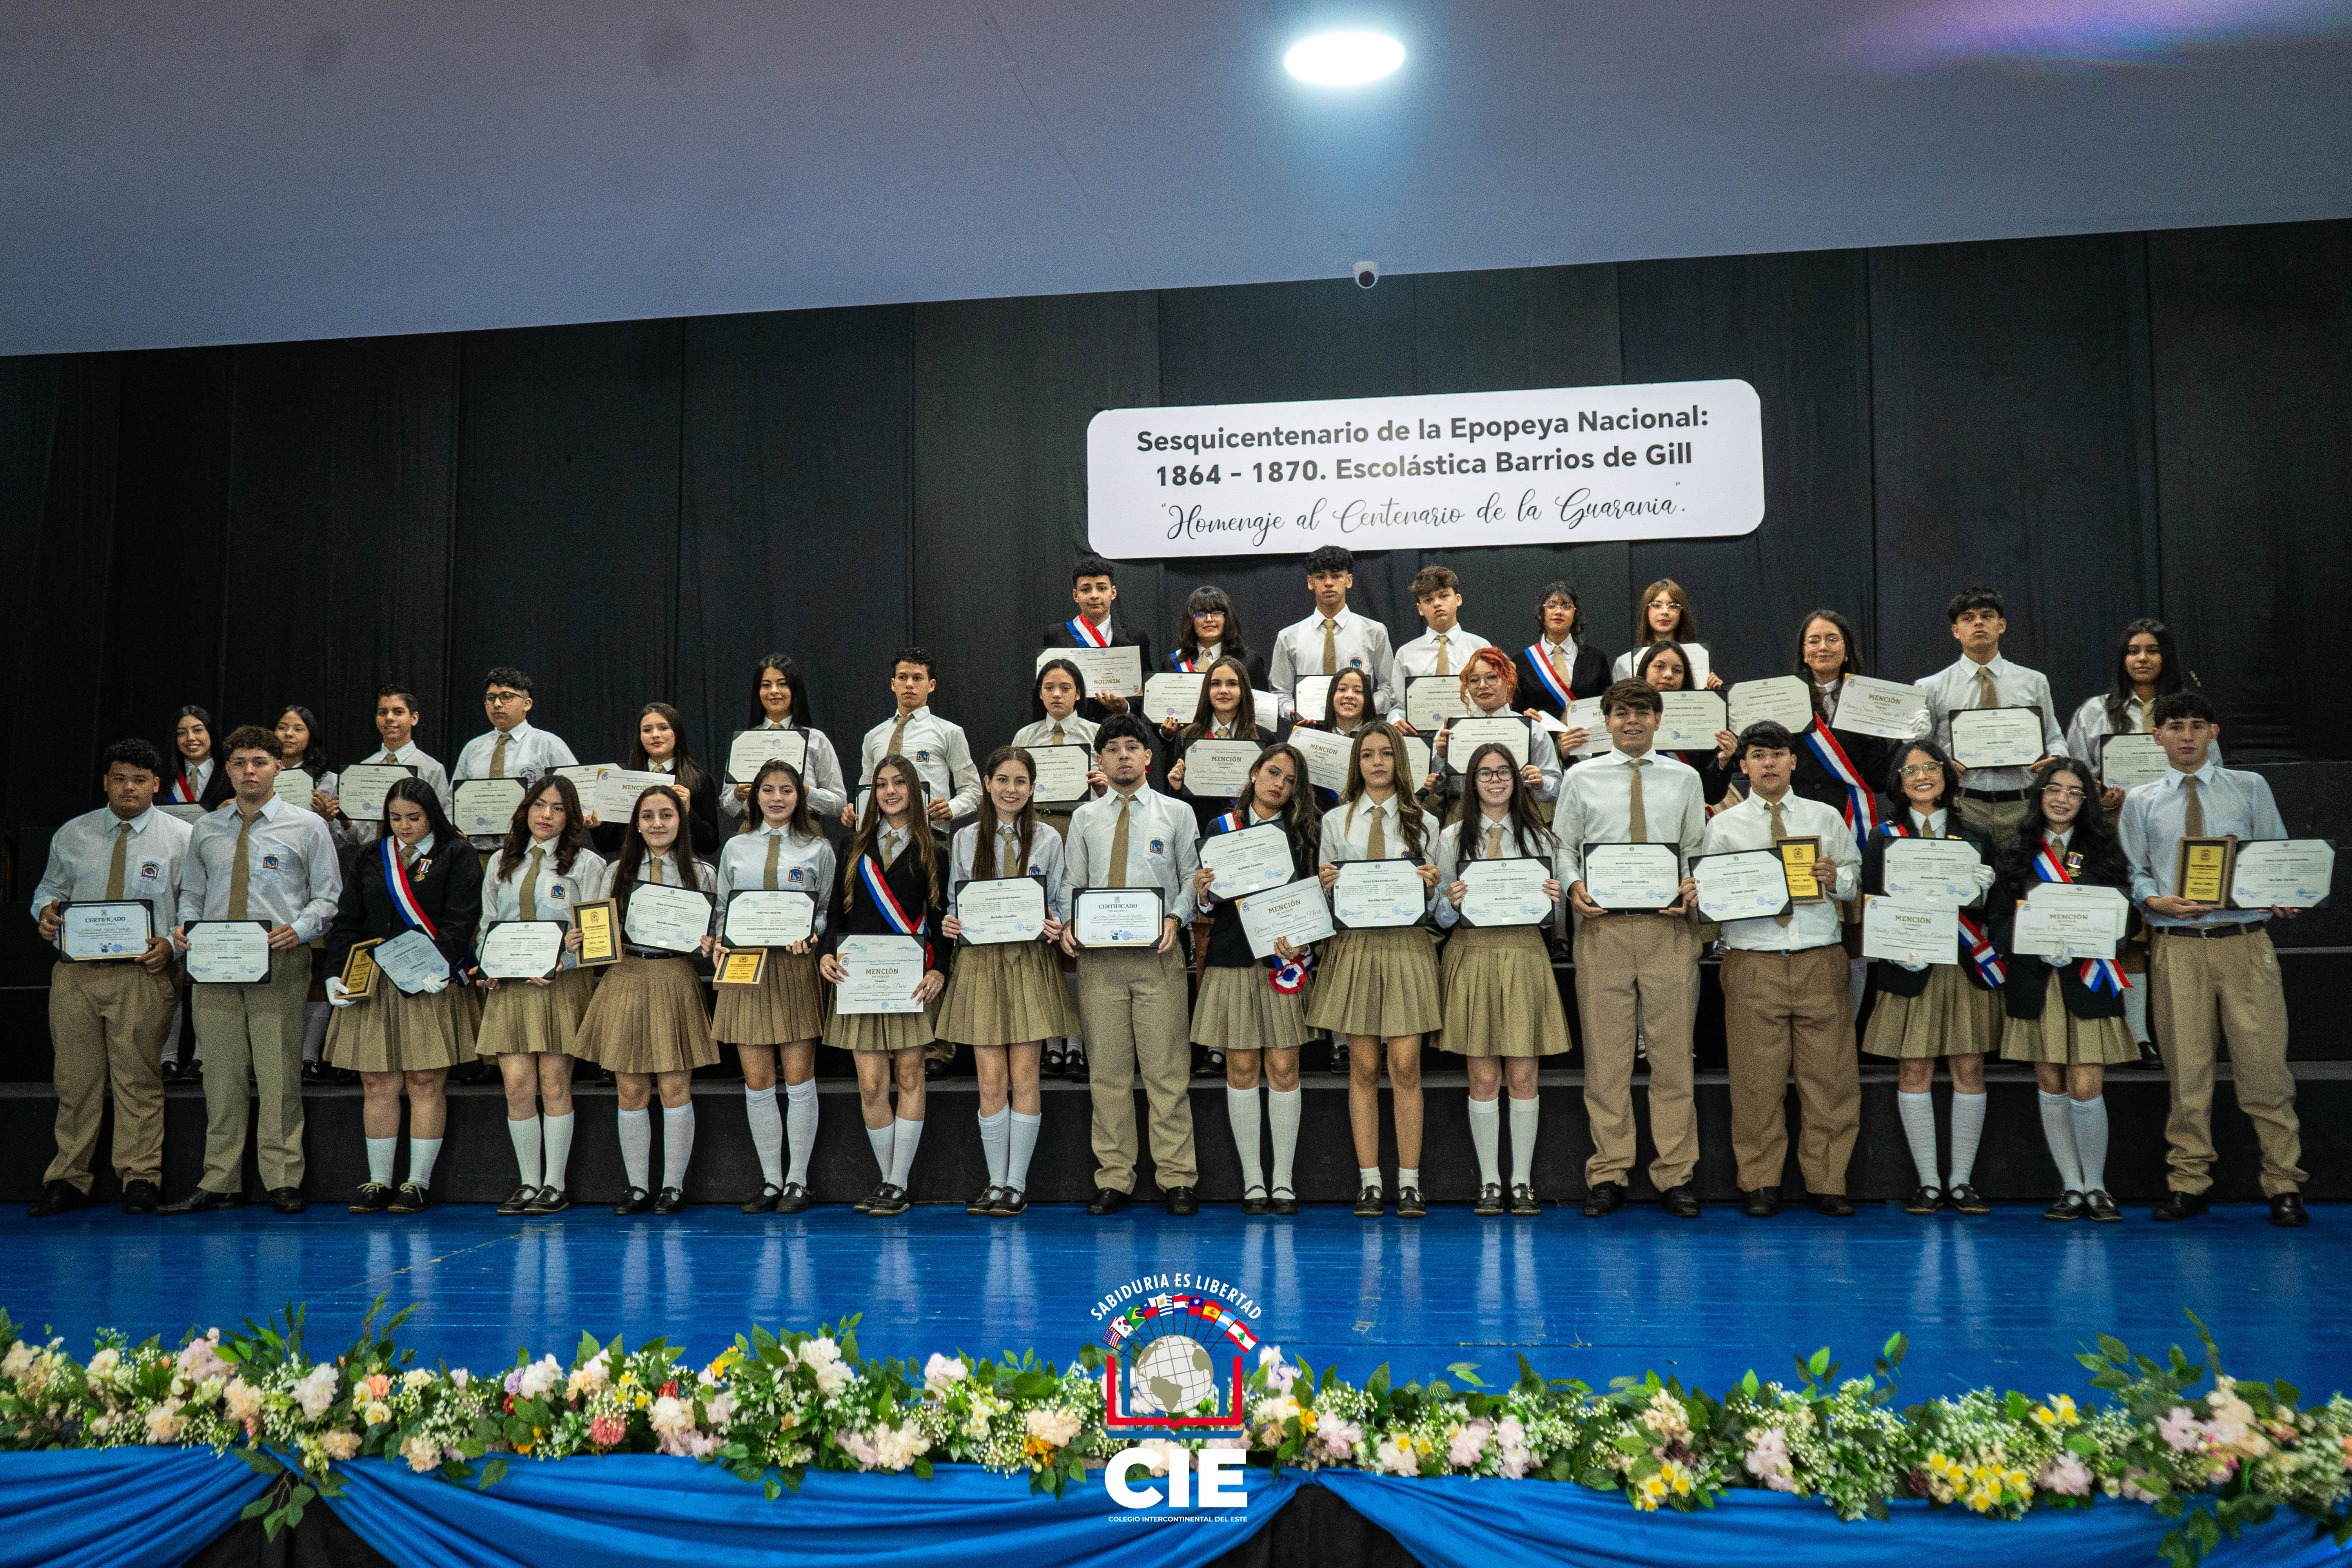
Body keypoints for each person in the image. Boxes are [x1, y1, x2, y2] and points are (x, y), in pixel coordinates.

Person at [2119, 690, 2306, 1227]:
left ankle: (2284, 1183)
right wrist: (2155, 901)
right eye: (2174, 726)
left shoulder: (2250, 788)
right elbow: (2135, 874)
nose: (2185, 736)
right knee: (2188, 1073)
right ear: (2156, 736)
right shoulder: (2142, 800)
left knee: (2266, 1071)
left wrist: (2283, 890)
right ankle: (2189, 1182)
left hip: (2244, 942)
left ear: (2214, 733)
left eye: (2196, 726)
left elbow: (2276, 855)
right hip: (2178, 947)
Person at [163, 726, 343, 1215]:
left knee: (278, 1072)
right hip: (215, 961)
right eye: (240, 762)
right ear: (228, 769)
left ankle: (283, 1178)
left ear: (279, 767)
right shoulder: (208, 828)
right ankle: (219, 1180)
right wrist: (183, 930)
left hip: (279, 958)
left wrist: (301, 929)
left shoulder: (306, 826)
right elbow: (193, 896)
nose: (250, 771)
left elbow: (328, 898)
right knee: (219, 1076)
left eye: (260, 762)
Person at [1698, 721, 1863, 1218]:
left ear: (1794, 761)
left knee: (1830, 1078)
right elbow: (1711, 896)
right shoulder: (1724, 826)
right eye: (1757, 755)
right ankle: (1761, 1181)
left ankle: (1828, 1180)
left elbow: (1855, 881)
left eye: (1778, 754)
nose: (1768, 763)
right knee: (1756, 1081)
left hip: (1818, 957)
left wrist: (1837, 878)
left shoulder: (1826, 816)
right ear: (1743, 765)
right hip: (1753, 961)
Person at [1558, 680, 1708, 1218]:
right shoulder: (1581, 777)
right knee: (1606, 1060)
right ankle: (1610, 1172)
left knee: (1672, 1060)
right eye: (1622, 714)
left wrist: (1693, 885)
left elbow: (1696, 850)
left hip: (1669, 930)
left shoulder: (1686, 779)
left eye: (1643, 713)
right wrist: (1574, 885)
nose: (1633, 723)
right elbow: (1564, 848)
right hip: (1604, 931)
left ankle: (1675, 1175)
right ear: (1607, 721)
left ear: (1658, 719)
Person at [27, 739, 190, 1218]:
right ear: (106, 782)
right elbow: (48, 889)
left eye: (140, 780)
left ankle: (141, 1177)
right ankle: (68, 1179)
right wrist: (46, 912)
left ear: (156, 784)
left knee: (139, 1080)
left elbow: (195, 906)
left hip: (143, 973)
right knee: (75, 1082)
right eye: (120, 778)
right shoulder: (73, 833)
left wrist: (172, 943)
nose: (129, 787)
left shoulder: (180, 837)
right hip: (76, 975)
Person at [1059, 714, 1201, 1216]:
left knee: (1168, 1072)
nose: (1123, 755)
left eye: (1131, 747)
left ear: (1148, 757)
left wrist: (1176, 916)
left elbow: (1191, 879)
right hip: (1099, 962)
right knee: (1108, 1075)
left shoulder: (1177, 813)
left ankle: (1178, 1177)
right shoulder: (1085, 819)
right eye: (1112, 748)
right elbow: (1070, 883)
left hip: (1158, 956)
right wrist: (1068, 922)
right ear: (1099, 760)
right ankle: (1115, 1176)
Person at [321, 779, 481, 1216]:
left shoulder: (457, 854)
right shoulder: (373, 856)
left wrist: (440, 965)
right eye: (396, 818)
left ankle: (418, 1182)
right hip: (374, 982)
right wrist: (335, 972)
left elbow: (461, 919)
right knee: (377, 1083)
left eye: (415, 817)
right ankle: (378, 1180)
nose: (405, 826)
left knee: (425, 1081)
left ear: (432, 814)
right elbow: (349, 919)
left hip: (427, 981)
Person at [1860, 739, 2003, 1216]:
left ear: (1947, 773)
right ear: (1898, 782)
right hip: (1909, 964)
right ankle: (1928, 1183)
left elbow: (1999, 912)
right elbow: (1871, 902)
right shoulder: (1884, 836)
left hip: (1963, 964)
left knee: (1969, 1070)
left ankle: (1961, 1182)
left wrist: (1984, 892)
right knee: (1914, 1070)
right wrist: (1898, 946)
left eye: (1930, 767)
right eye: (1910, 770)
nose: (1922, 775)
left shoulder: (1978, 834)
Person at [1992, 757, 2138, 1223]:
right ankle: (2070, 1187)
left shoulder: (2104, 848)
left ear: (2086, 802)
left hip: (2087, 979)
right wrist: (2034, 944)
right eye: (2054, 789)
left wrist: (2091, 937)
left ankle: (2097, 1186)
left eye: (2075, 792)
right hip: (2036, 981)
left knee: (2085, 1085)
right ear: (2039, 794)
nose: (2062, 799)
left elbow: (2128, 918)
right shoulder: (2016, 849)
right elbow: (1996, 923)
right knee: (2051, 1084)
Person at [1308, 721, 1444, 1219]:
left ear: (1400, 763)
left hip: (1407, 948)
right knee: (1363, 1068)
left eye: (1387, 754)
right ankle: (1370, 1181)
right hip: (1356, 949)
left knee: (1406, 1067)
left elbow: (1437, 909)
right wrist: (1325, 884)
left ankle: (1409, 1182)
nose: (1378, 762)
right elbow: (1326, 899)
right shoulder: (1335, 821)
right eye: (1368, 755)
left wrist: (1429, 886)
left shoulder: (1424, 822)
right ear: (1357, 763)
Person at [936, 747, 1078, 1216]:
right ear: (988, 782)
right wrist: (951, 923)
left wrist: (1056, 922)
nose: (1011, 789)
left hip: (1030, 962)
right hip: (980, 964)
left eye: (1020, 781)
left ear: (1033, 788)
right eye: (1002, 779)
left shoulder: (1050, 840)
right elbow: (956, 903)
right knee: (990, 1080)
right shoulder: (965, 839)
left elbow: (1057, 899)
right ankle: (995, 1181)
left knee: (1025, 1076)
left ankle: (1016, 1184)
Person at [570, 785, 720, 1216]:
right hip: (627, 977)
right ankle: (637, 1186)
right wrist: (586, 938)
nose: (658, 824)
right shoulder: (613, 871)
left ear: (681, 820)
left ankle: (672, 1186)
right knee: (631, 1088)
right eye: (649, 816)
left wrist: (712, 943)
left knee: (675, 1087)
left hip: (675, 977)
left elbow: (714, 936)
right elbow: (595, 931)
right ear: (636, 823)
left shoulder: (701, 873)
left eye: (667, 815)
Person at [1433, 741, 1568, 1216]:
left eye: (1503, 772)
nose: (1494, 780)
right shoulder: (1450, 839)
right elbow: (1441, 917)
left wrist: (1556, 900)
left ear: (1517, 778)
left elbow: (1558, 917)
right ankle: (1491, 1182)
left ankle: (1523, 1182)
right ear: (1472, 783)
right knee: (1484, 1075)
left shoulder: (1541, 839)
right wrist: (1450, 899)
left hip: (1525, 954)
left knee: (1524, 1073)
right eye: (1485, 773)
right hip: (1472, 955)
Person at [2067, 619, 2205, 1063]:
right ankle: (2137, 1036)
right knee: (2129, 936)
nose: (2142, 658)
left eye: (2152, 650)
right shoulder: (2095, 711)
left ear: (2167, 657)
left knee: (2163, 935)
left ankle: (2177, 1034)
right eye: (2132, 650)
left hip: (2174, 835)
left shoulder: (2188, 711)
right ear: (2121, 659)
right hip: (2112, 834)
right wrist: (2098, 793)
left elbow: (2209, 768)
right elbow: (2072, 773)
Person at [1190, 743, 1320, 1216]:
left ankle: (1282, 1182)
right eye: (1273, 773)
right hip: (1231, 957)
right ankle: (1252, 1182)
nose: (1279, 785)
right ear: (1253, 772)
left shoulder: (1304, 833)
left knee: (1284, 1071)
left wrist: (1303, 942)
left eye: (1289, 781)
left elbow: (1310, 903)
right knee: (1241, 1070)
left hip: (1280, 964)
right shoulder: (1220, 827)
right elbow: (1210, 904)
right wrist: (1203, 896)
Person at [819, 755, 950, 1218]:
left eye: (899, 783)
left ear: (914, 790)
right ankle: (887, 1177)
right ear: (872, 793)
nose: (891, 791)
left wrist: (942, 970)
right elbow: (837, 913)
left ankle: (896, 1182)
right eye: (881, 785)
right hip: (860, 982)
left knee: (911, 1076)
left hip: (911, 982)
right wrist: (827, 953)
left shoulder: (937, 847)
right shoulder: (853, 847)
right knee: (873, 1086)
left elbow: (941, 921)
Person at [471, 774, 606, 1217]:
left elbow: (599, 936)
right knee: (516, 1087)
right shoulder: (499, 862)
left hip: (560, 987)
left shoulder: (586, 864)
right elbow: (487, 924)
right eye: (539, 806)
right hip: (510, 988)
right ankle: (528, 1181)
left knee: (553, 1084)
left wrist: (565, 962)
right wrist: (485, 965)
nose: (546, 815)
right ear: (525, 809)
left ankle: (555, 1184)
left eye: (558, 809)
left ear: (571, 818)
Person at [709, 760, 836, 1214]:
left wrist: (814, 933)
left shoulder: (818, 848)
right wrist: (720, 940)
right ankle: (770, 1180)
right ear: (754, 795)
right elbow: (723, 908)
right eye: (768, 789)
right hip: (744, 968)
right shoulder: (735, 848)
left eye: (786, 789)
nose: (777, 798)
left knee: (799, 1076)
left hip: (794, 968)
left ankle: (799, 1181)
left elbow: (825, 910)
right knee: (759, 1080)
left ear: (800, 795)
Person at [1787, 610, 1902, 1020]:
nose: (1823, 647)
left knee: (1854, 936)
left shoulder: (1868, 698)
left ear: (1847, 649)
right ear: (1802, 651)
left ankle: (1847, 1030)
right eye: (1814, 640)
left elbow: (1878, 779)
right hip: (1800, 824)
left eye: (1832, 639)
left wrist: (1890, 736)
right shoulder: (1784, 696)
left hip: (1851, 823)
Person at [1011, 657, 1102, 1082]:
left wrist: (1101, 785)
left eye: (1066, 687)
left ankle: (1079, 1044)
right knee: (1043, 931)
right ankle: (1051, 1044)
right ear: (1040, 694)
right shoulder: (1026, 737)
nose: (1057, 695)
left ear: (1079, 693)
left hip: (1083, 828)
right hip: (1038, 831)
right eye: (1049, 687)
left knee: (1076, 934)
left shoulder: (1096, 735)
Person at [1913, 587, 2062, 840]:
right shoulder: (1930, 687)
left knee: (2020, 879)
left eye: (1987, 616)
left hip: (2023, 806)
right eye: (1968, 618)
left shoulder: (2034, 682)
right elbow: (1916, 753)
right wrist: (1939, 766)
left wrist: (2055, 759)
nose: (1979, 623)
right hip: (1961, 804)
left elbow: (2055, 739)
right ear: (1956, 631)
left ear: (2002, 625)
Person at [273, 704, 344, 1083]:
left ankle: (309, 1056)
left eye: (297, 728)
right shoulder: (260, 774)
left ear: (310, 736)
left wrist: (331, 819)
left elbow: (346, 843)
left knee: (315, 971)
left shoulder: (329, 781)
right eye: (282, 727)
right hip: (271, 885)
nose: (288, 735)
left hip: (312, 885)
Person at [850, 647, 982, 829]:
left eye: (918, 678)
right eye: (903, 678)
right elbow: (866, 790)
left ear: (932, 685)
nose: (910, 684)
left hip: (929, 834)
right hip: (881, 835)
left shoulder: (949, 732)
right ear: (893, 684)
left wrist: (951, 808)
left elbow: (973, 789)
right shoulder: (874, 736)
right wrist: (855, 809)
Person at [1421, 647, 1559, 820]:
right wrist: (1441, 757)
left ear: (1508, 681)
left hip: (1520, 813)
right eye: (1474, 680)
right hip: (1463, 814)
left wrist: (1541, 783)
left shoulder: (1532, 729)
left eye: (1492, 678)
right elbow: (1435, 786)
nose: (1482, 686)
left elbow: (1556, 790)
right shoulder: (1451, 729)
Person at [1269, 544, 1397, 721]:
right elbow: (1279, 692)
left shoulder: (1374, 632)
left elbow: (1389, 688)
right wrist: (1293, 711)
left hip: (1359, 730)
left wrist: (1365, 707)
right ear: (1310, 582)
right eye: (1321, 577)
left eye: (1336, 576)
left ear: (1349, 580)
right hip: (1309, 728)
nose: (1329, 583)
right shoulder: (1289, 636)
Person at [723, 653, 850, 828]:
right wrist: (738, 796)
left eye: (783, 684)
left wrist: (806, 792)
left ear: (795, 690)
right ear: (758, 692)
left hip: (804, 832)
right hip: (753, 831)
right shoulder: (745, 741)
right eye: (766, 685)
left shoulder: (816, 740)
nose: (774, 691)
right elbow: (727, 807)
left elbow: (840, 803)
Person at [1163, 654, 1267, 835]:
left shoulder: (1263, 738)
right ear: (1207, 690)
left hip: (1247, 832)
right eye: (1216, 684)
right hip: (1199, 828)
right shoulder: (1187, 736)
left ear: (1244, 690)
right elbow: (1179, 805)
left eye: (1233, 684)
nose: (1224, 690)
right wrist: (1177, 788)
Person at [1040, 554, 1151, 722]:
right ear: (1076, 595)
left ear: (1113, 593)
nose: (1094, 595)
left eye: (1102, 588)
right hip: (1075, 728)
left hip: (1121, 730)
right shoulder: (1057, 636)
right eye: (1086, 590)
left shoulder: (1136, 637)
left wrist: (1125, 708)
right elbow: (1046, 689)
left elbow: (1147, 695)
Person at [339, 684, 454, 844]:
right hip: (370, 857)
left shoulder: (431, 769)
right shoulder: (362, 768)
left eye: (398, 712)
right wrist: (345, 822)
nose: (390, 718)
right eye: (383, 712)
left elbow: (442, 823)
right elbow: (357, 834)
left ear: (414, 718)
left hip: (412, 858)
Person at [603, 702, 720, 857]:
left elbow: (710, 846)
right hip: (634, 865)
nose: (655, 735)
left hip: (681, 867)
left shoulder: (698, 779)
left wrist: (687, 811)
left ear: (676, 733)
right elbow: (608, 845)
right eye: (647, 730)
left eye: (663, 728)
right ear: (640, 737)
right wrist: (597, 827)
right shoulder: (625, 778)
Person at [1386, 565, 1494, 728]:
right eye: (1428, 600)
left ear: (1458, 599)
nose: (1437, 603)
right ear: (1420, 609)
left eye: (1444, 596)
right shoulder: (1406, 653)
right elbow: (1398, 706)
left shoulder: (1480, 647)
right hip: (1420, 735)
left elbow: (1494, 698)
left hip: (1470, 732)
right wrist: (1395, 720)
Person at [1512, 581, 1608, 761]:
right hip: (1542, 753)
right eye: (1552, 605)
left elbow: (1609, 707)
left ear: (1575, 614)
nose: (1558, 612)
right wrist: (1524, 717)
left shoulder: (1596, 659)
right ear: (1542, 614)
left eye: (1566, 606)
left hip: (1590, 752)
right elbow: (1514, 714)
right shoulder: (1521, 662)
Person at [452, 667, 579, 791]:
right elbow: (453, 800)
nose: (497, 704)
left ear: (527, 704)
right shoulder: (473, 748)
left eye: (506, 696)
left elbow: (577, 791)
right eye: (491, 698)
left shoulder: (548, 744)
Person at [1611, 578, 1722, 689]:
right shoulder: (1625, 663)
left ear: (1682, 614)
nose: (1665, 612)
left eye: (1673, 606)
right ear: (1646, 611)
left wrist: (1712, 692)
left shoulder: (1699, 658)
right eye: (1657, 605)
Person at [1167, 585, 1268, 690]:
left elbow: (1263, 704)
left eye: (1217, 613)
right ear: (1191, 621)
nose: (1209, 619)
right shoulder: (1174, 663)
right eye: (1201, 614)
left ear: (1227, 618)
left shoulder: (1248, 661)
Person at [164, 706, 235, 814]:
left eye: (198, 730)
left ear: (211, 733)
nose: (190, 738)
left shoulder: (231, 774)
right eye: (182, 733)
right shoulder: (163, 776)